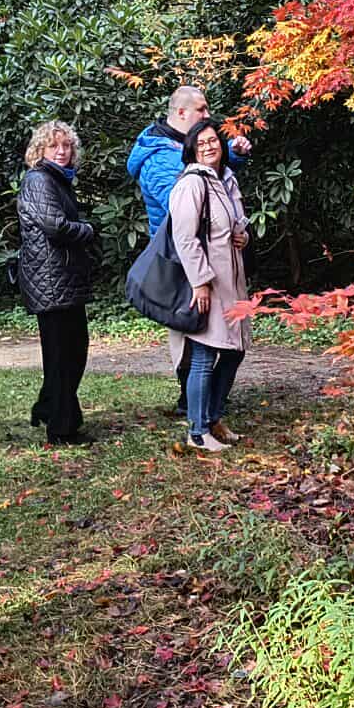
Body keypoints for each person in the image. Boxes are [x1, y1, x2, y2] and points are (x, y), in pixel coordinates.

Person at [127, 86, 250, 412]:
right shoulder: (158, 159)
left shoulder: (183, 146)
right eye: (202, 109)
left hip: (214, 256)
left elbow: (209, 179)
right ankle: (195, 409)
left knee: (224, 338)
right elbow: (186, 208)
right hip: (180, 260)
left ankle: (208, 407)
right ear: (181, 113)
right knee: (191, 337)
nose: (208, 115)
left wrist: (232, 155)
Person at [170, 120, 251, 453]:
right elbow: (184, 238)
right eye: (200, 143)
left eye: (213, 140)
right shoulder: (192, 183)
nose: (208, 146)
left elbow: (234, 224)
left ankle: (214, 418)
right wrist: (200, 283)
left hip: (233, 283)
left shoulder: (226, 179)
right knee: (204, 355)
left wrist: (243, 237)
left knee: (235, 350)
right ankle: (198, 431)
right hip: (208, 284)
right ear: (191, 150)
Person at [17, 121, 99, 447]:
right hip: (51, 280)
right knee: (65, 355)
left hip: (60, 279)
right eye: (54, 146)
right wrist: (87, 230)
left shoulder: (57, 179)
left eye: (66, 145)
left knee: (70, 351)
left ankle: (48, 407)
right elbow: (56, 226)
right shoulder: (39, 179)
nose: (62, 151)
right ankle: (62, 428)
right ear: (41, 150)